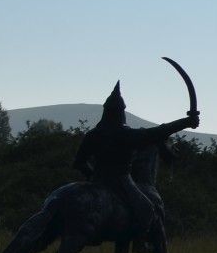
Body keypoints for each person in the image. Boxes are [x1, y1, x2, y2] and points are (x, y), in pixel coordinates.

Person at [73, 82, 199, 243]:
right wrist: (186, 122)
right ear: (121, 113)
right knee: (147, 209)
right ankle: (140, 242)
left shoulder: (92, 135)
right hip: (122, 181)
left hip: (98, 180)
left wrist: (92, 175)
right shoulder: (126, 134)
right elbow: (158, 132)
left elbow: (79, 163)